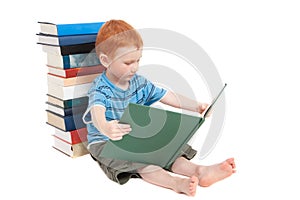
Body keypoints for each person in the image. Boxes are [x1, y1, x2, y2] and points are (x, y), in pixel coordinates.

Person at [82, 19, 236, 196]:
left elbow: (167, 96)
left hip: (134, 135)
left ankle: (200, 171)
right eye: (128, 62)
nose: (135, 67)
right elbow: (97, 111)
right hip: (106, 141)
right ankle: (176, 183)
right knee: (142, 161)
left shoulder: (139, 83)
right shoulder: (100, 88)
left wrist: (195, 106)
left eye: (138, 60)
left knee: (168, 150)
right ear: (105, 60)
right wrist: (106, 127)